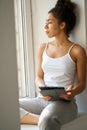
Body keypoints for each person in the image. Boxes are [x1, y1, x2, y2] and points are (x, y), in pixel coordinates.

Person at [19, 0, 86, 129]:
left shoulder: (77, 50)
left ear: (62, 25)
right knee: (5, 105)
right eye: (45, 23)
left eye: (49, 23)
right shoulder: (43, 48)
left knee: (47, 120)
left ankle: (45, 118)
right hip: (42, 100)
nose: (45, 27)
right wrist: (43, 89)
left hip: (64, 103)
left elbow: (82, 84)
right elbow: (38, 76)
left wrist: (72, 92)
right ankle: (40, 118)